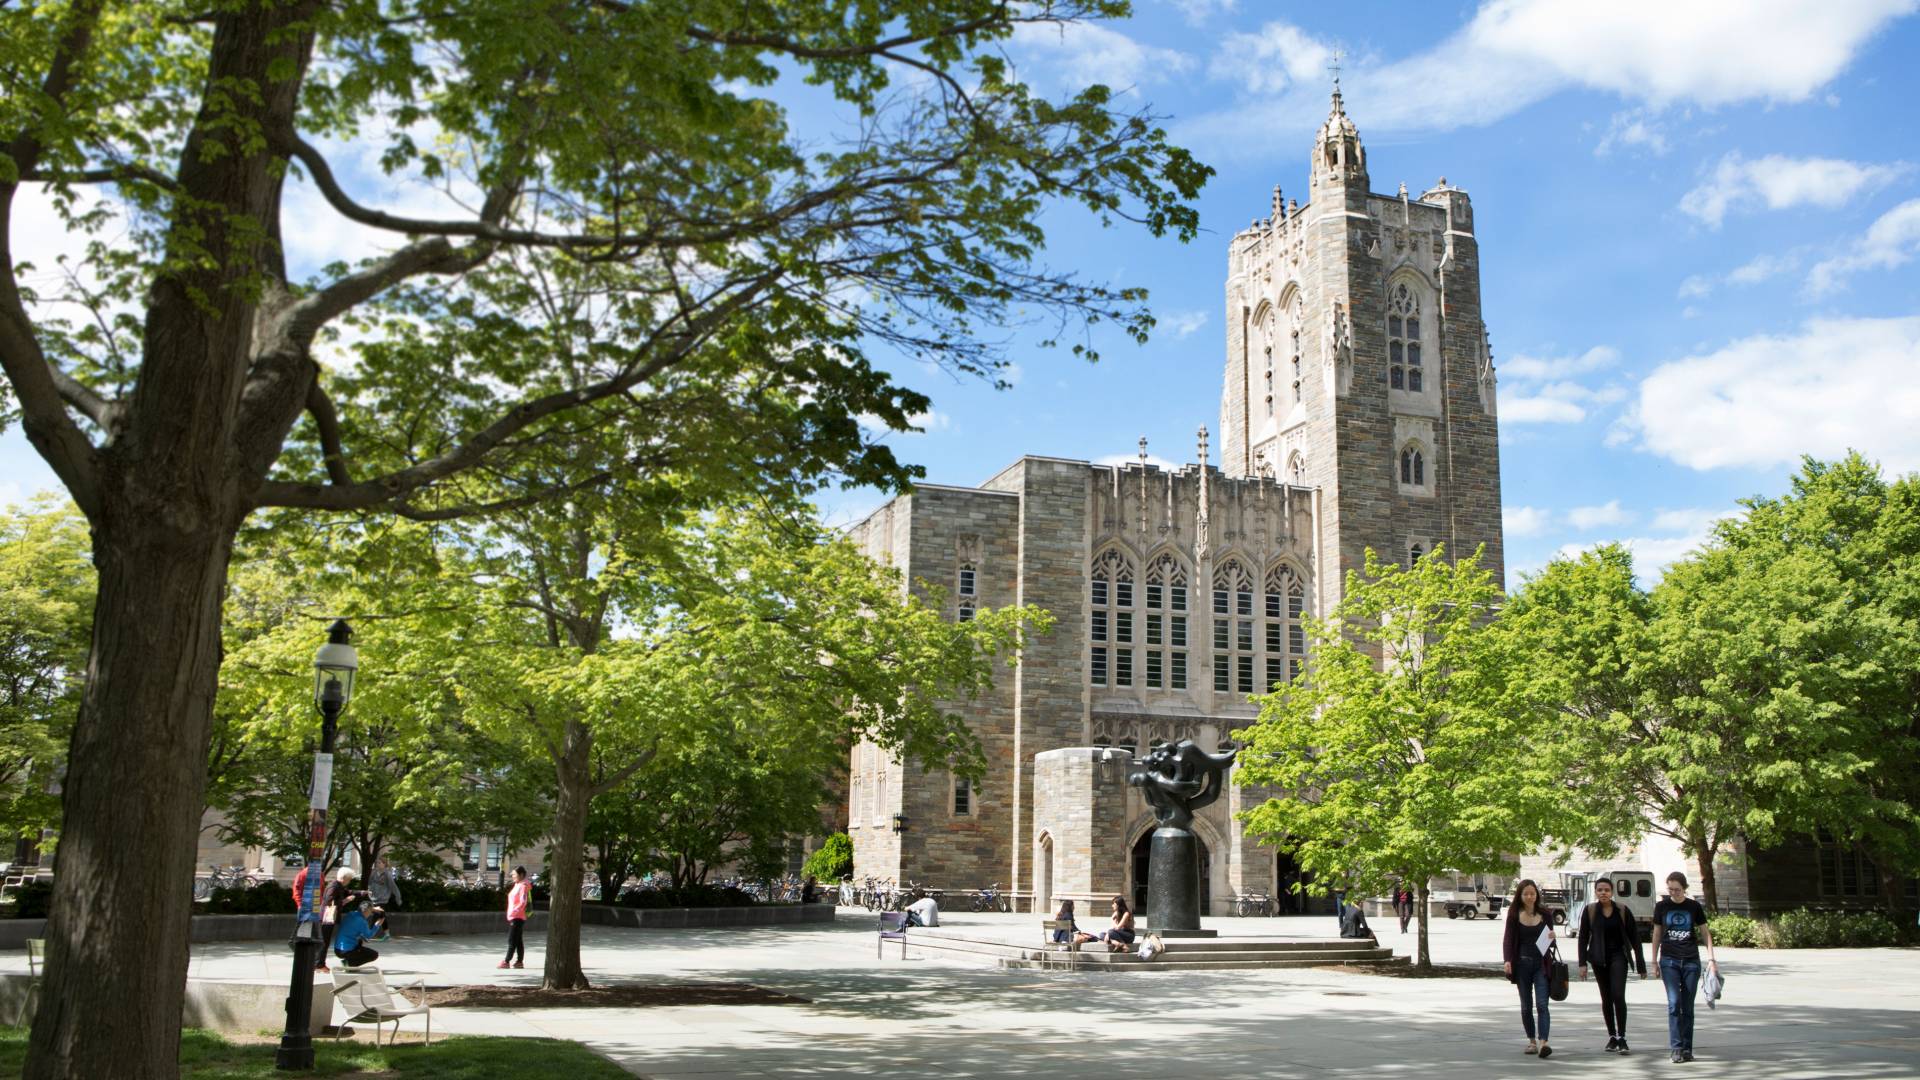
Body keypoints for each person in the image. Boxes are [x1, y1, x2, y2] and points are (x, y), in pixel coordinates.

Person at [1651, 871, 1718, 1064]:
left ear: (1684, 888)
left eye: (1677, 890)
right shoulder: (1662, 906)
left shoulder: (1693, 906)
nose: (1674, 893)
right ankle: (1676, 1048)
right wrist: (1654, 961)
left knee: (1687, 1007)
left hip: (1690, 961)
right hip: (1669, 960)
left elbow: (1705, 932)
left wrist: (1711, 959)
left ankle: (1687, 1048)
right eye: (1670, 889)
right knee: (1674, 1004)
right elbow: (1656, 934)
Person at [1578, 877, 1648, 1054]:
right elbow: (1583, 938)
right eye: (1600, 890)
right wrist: (1582, 964)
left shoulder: (1622, 910)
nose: (1603, 893)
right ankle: (1612, 1037)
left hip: (1619, 957)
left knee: (1618, 995)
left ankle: (1622, 1037)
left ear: (1612, 892)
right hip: (1598, 959)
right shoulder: (1590, 911)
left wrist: (1641, 964)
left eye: (1606, 890)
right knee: (1606, 998)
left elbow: (1635, 938)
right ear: (1595, 892)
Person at [1503, 878, 1556, 1059]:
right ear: (1520, 895)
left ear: (1536, 895)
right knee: (1526, 1006)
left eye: (1532, 893)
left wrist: (1552, 937)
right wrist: (1507, 960)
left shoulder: (1545, 914)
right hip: (1521, 964)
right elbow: (1508, 939)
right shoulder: (1514, 914)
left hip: (1541, 964)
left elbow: (1550, 943)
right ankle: (1532, 1041)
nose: (1529, 897)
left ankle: (1544, 1042)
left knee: (1542, 1004)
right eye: (1526, 893)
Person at [332, 900, 382, 969]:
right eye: (370, 911)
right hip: (346, 951)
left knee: (360, 940)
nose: (371, 914)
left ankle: (349, 961)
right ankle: (348, 964)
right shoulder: (362, 921)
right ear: (366, 911)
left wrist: (373, 908)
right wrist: (377, 924)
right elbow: (369, 935)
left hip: (337, 949)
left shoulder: (351, 914)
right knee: (374, 955)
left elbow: (352, 929)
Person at [499, 865, 531, 970]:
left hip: (517, 916)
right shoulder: (519, 884)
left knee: (512, 940)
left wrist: (516, 910)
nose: (512, 876)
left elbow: (523, 901)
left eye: (514, 874)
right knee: (518, 940)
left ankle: (506, 961)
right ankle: (519, 962)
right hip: (516, 916)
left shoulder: (523, 886)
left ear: (521, 875)